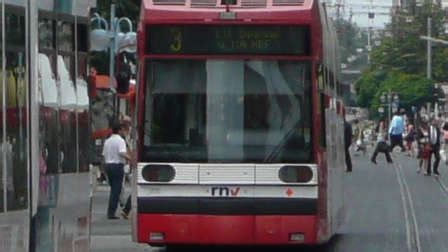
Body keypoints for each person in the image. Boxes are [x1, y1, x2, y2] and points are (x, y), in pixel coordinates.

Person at [102, 123, 132, 219]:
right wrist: (131, 159)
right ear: (119, 130)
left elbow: (104, 155)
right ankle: (111, 212)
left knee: (113, 189)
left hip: (108, 166)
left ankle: (111, 210)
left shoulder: (107, 141)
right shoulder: (120, 141)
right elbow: (122, 152)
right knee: (116, 190)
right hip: (117, 166)